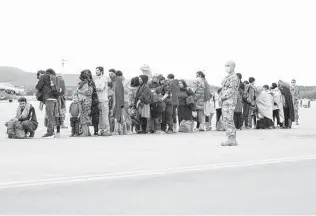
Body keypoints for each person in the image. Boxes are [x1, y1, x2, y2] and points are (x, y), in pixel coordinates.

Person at [35, 69, 62, 138]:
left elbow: (38, 87)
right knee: (55, 115)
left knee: (50, 116)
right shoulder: (56, 78)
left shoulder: (44, 77)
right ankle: (56, 132)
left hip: (48, 99)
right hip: (56, 99)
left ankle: (50, 132)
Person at [220, 61, 240, 146]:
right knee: (226, 119)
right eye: (225, 65)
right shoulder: (228, 77)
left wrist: (222, 96)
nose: (226, 67)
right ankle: (231, 138)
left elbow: (231, 90)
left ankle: (231, 138)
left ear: (233, 67)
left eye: (228, 65)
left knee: (228, 119)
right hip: (226, 101)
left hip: (229, 100)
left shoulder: (234, 77)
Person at [76, 70, 93, 136]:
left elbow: (89, 93)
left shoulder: (86, 83)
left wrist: (79, 92)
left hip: (85, 101)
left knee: (84, 116)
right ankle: (87, 132)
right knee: (86, 116)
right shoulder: (88, 83)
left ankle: (85, 132)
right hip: (87, 101)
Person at [95, 66, 111, 136]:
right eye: (96, 70)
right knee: (100, 117)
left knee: (104, 117)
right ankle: (101, 130)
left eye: (97, 70)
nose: (96, 72)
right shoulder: (96, 80)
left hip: (104, 100)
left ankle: (107, 131)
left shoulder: (104, 79)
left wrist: (95, 88)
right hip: (98, 100)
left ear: (101, 71)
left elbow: (102, 88)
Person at [109, 69, 125, 135]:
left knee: (118, 116)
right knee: (114, 116)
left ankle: (120, 130)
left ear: (114, 74)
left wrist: (121, 103)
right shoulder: (111, 81)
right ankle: (116, 130)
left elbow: (121, 92)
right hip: (112, 100)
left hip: (118, 101)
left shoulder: (118, 81)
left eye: (111, 74)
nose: (110, 75)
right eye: (109, 74)